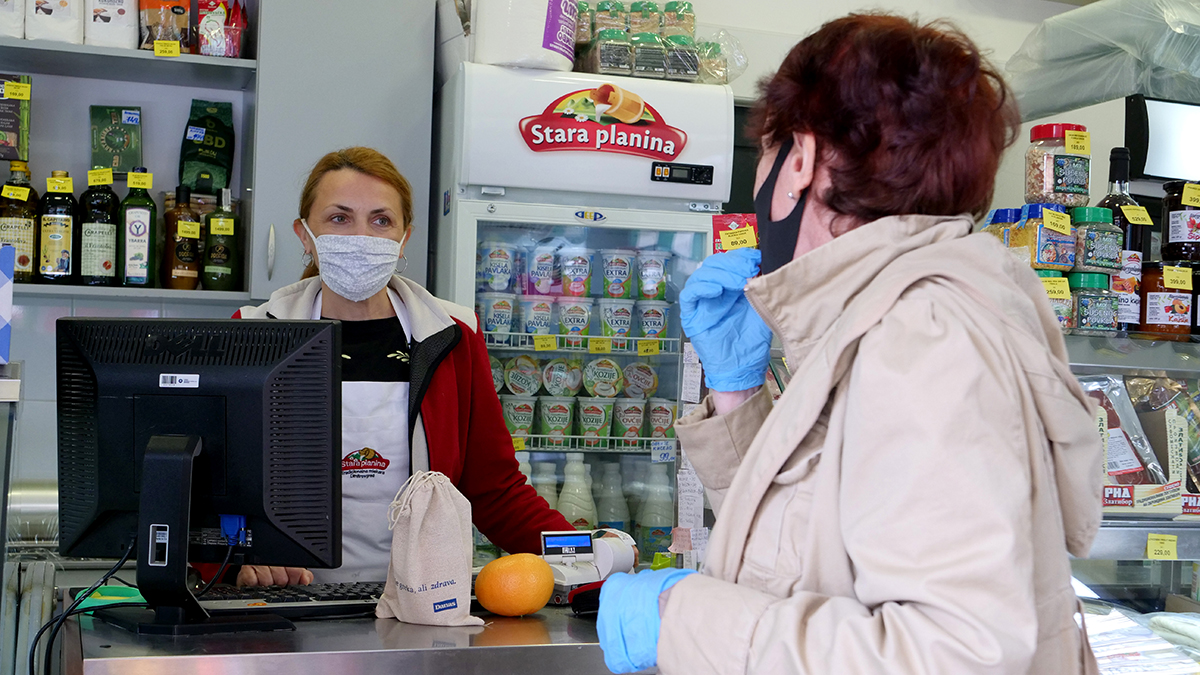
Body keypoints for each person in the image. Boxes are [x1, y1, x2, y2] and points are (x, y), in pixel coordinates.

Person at [598, 14, 1103, 675]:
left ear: (800, 159)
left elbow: (950, 655)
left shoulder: (923, 336)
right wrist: (737, 396)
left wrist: (678, 616)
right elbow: (825, 540)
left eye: (769, 153)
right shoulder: (880, 314)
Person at [230, 147, 572, 586]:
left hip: (424, 599)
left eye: (380, 220)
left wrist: (583, 554)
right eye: (339, 218)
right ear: (304, 234)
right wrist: (235, 557)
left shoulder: (451, 335)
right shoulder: (253, 333)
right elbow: (213, 488)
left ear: (404, 237)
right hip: (287, 599)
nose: (361, 237)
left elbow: (495, 491)